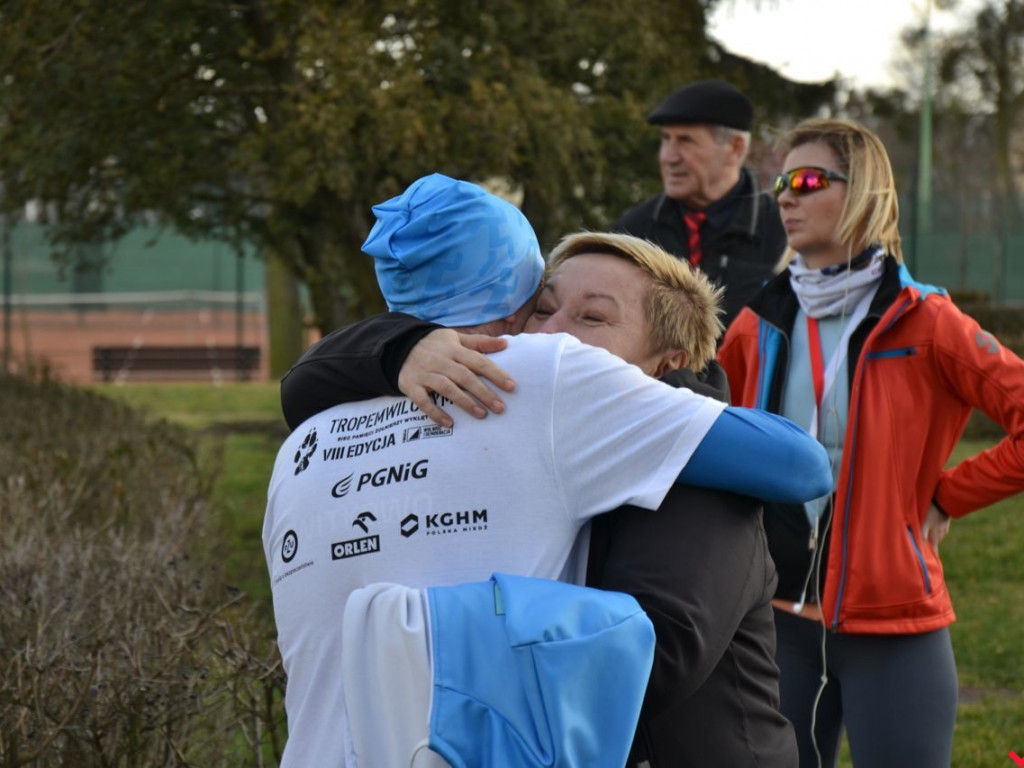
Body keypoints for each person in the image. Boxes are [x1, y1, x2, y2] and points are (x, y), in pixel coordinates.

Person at [281, 231, 806, 767]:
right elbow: (302, 387)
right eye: (543, 309)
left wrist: (434, 642)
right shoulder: (533, 433)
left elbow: (659, 658)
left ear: (665, 363)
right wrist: (402, 347)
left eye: (592, 319)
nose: (551, 336)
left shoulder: (704, 486)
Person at [717, 118, 1024, 768]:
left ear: (864, 192)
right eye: (780, 182)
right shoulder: (755, 324)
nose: (786, 196)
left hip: (894, 624)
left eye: (806, 179)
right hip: (773, 620)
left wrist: (947, 495)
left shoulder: (928, 321)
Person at [613, 78, 786, 330]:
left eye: (685, 141)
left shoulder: (783, 231)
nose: (668, 157)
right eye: (666, 139)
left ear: (735, 148)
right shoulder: (632, 231)